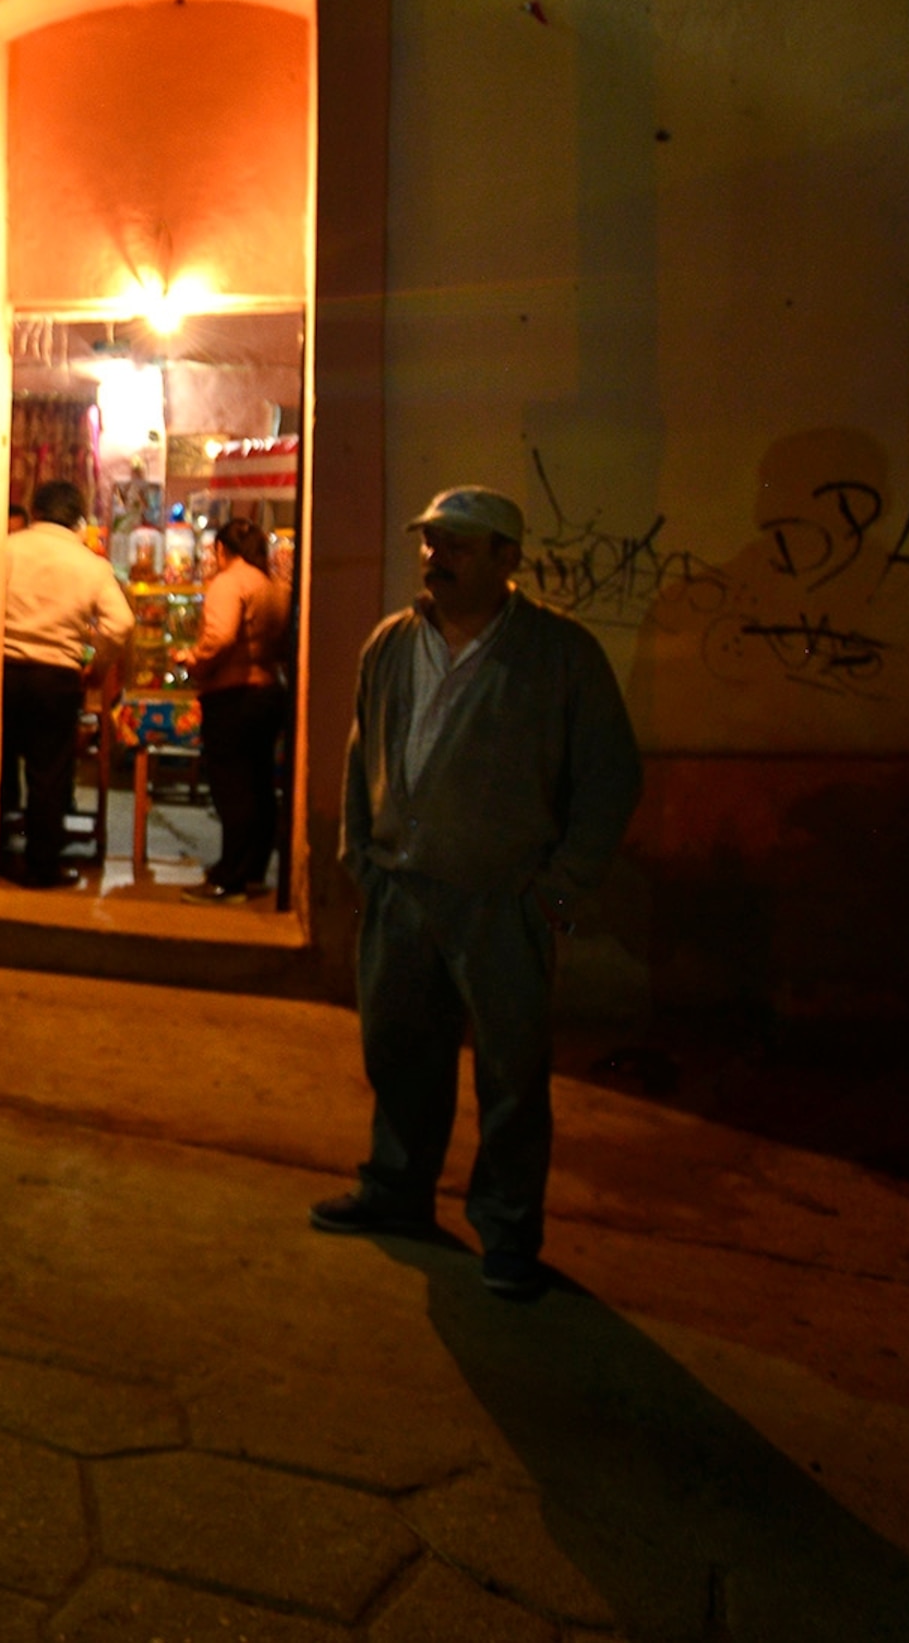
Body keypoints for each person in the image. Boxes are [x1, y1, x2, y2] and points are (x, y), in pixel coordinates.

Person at [310, 485, 639, 1301]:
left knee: (510, 1071)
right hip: (401, 887)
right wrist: (363, 856)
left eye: (458, 544)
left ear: (507, 560)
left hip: (503, 899)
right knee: (398, 1052)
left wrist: (559, 889)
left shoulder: (560, 656)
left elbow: (610, 776)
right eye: (430, 542)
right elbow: (361, 753)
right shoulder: (392, 642)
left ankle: (507, 1230)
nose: (436, 556)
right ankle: (396, 1190)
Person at [1, 478, 134, 889]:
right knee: (49, 773)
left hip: (3, 673)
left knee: (1, 766)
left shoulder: (6, 548)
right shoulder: (90, 564)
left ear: (36, 510)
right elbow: (121, 623)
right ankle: (42, 867)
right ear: (78, 518)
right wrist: (97, 666)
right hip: (57, 678)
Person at [182, 518, 293, 901]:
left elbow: (220, 637)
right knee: (260, 785)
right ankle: (251, 870)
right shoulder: (274, 586)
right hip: (268, 691)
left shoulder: (229, 582)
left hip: (234, 694)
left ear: (221, 550)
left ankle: (228, 876)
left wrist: (193, 660)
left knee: (232, 787)